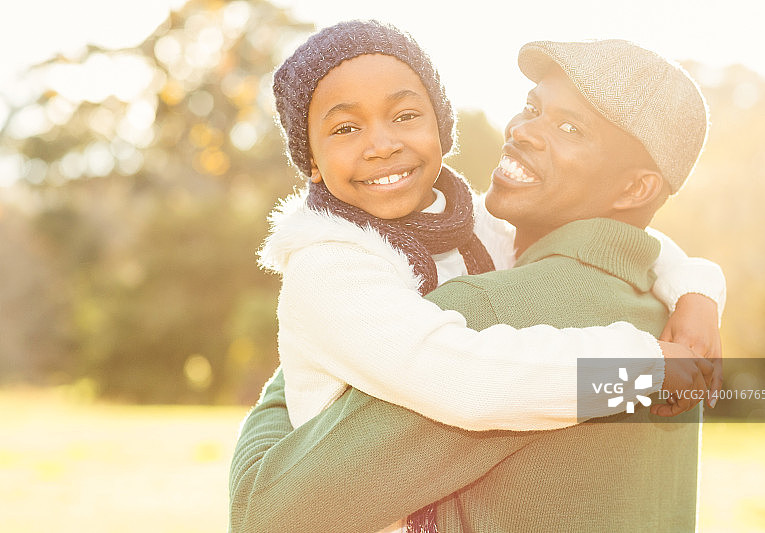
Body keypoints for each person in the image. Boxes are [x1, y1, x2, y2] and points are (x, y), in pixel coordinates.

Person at [230, 23, 724, 532]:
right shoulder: (332, 263)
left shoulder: (485, 264)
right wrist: (643, 360)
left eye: (571, 128)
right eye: (532, 108)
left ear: (441, 127)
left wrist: (698, 289)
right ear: (310, 160)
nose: (381, 144)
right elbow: (461, 378)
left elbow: (261, 513)